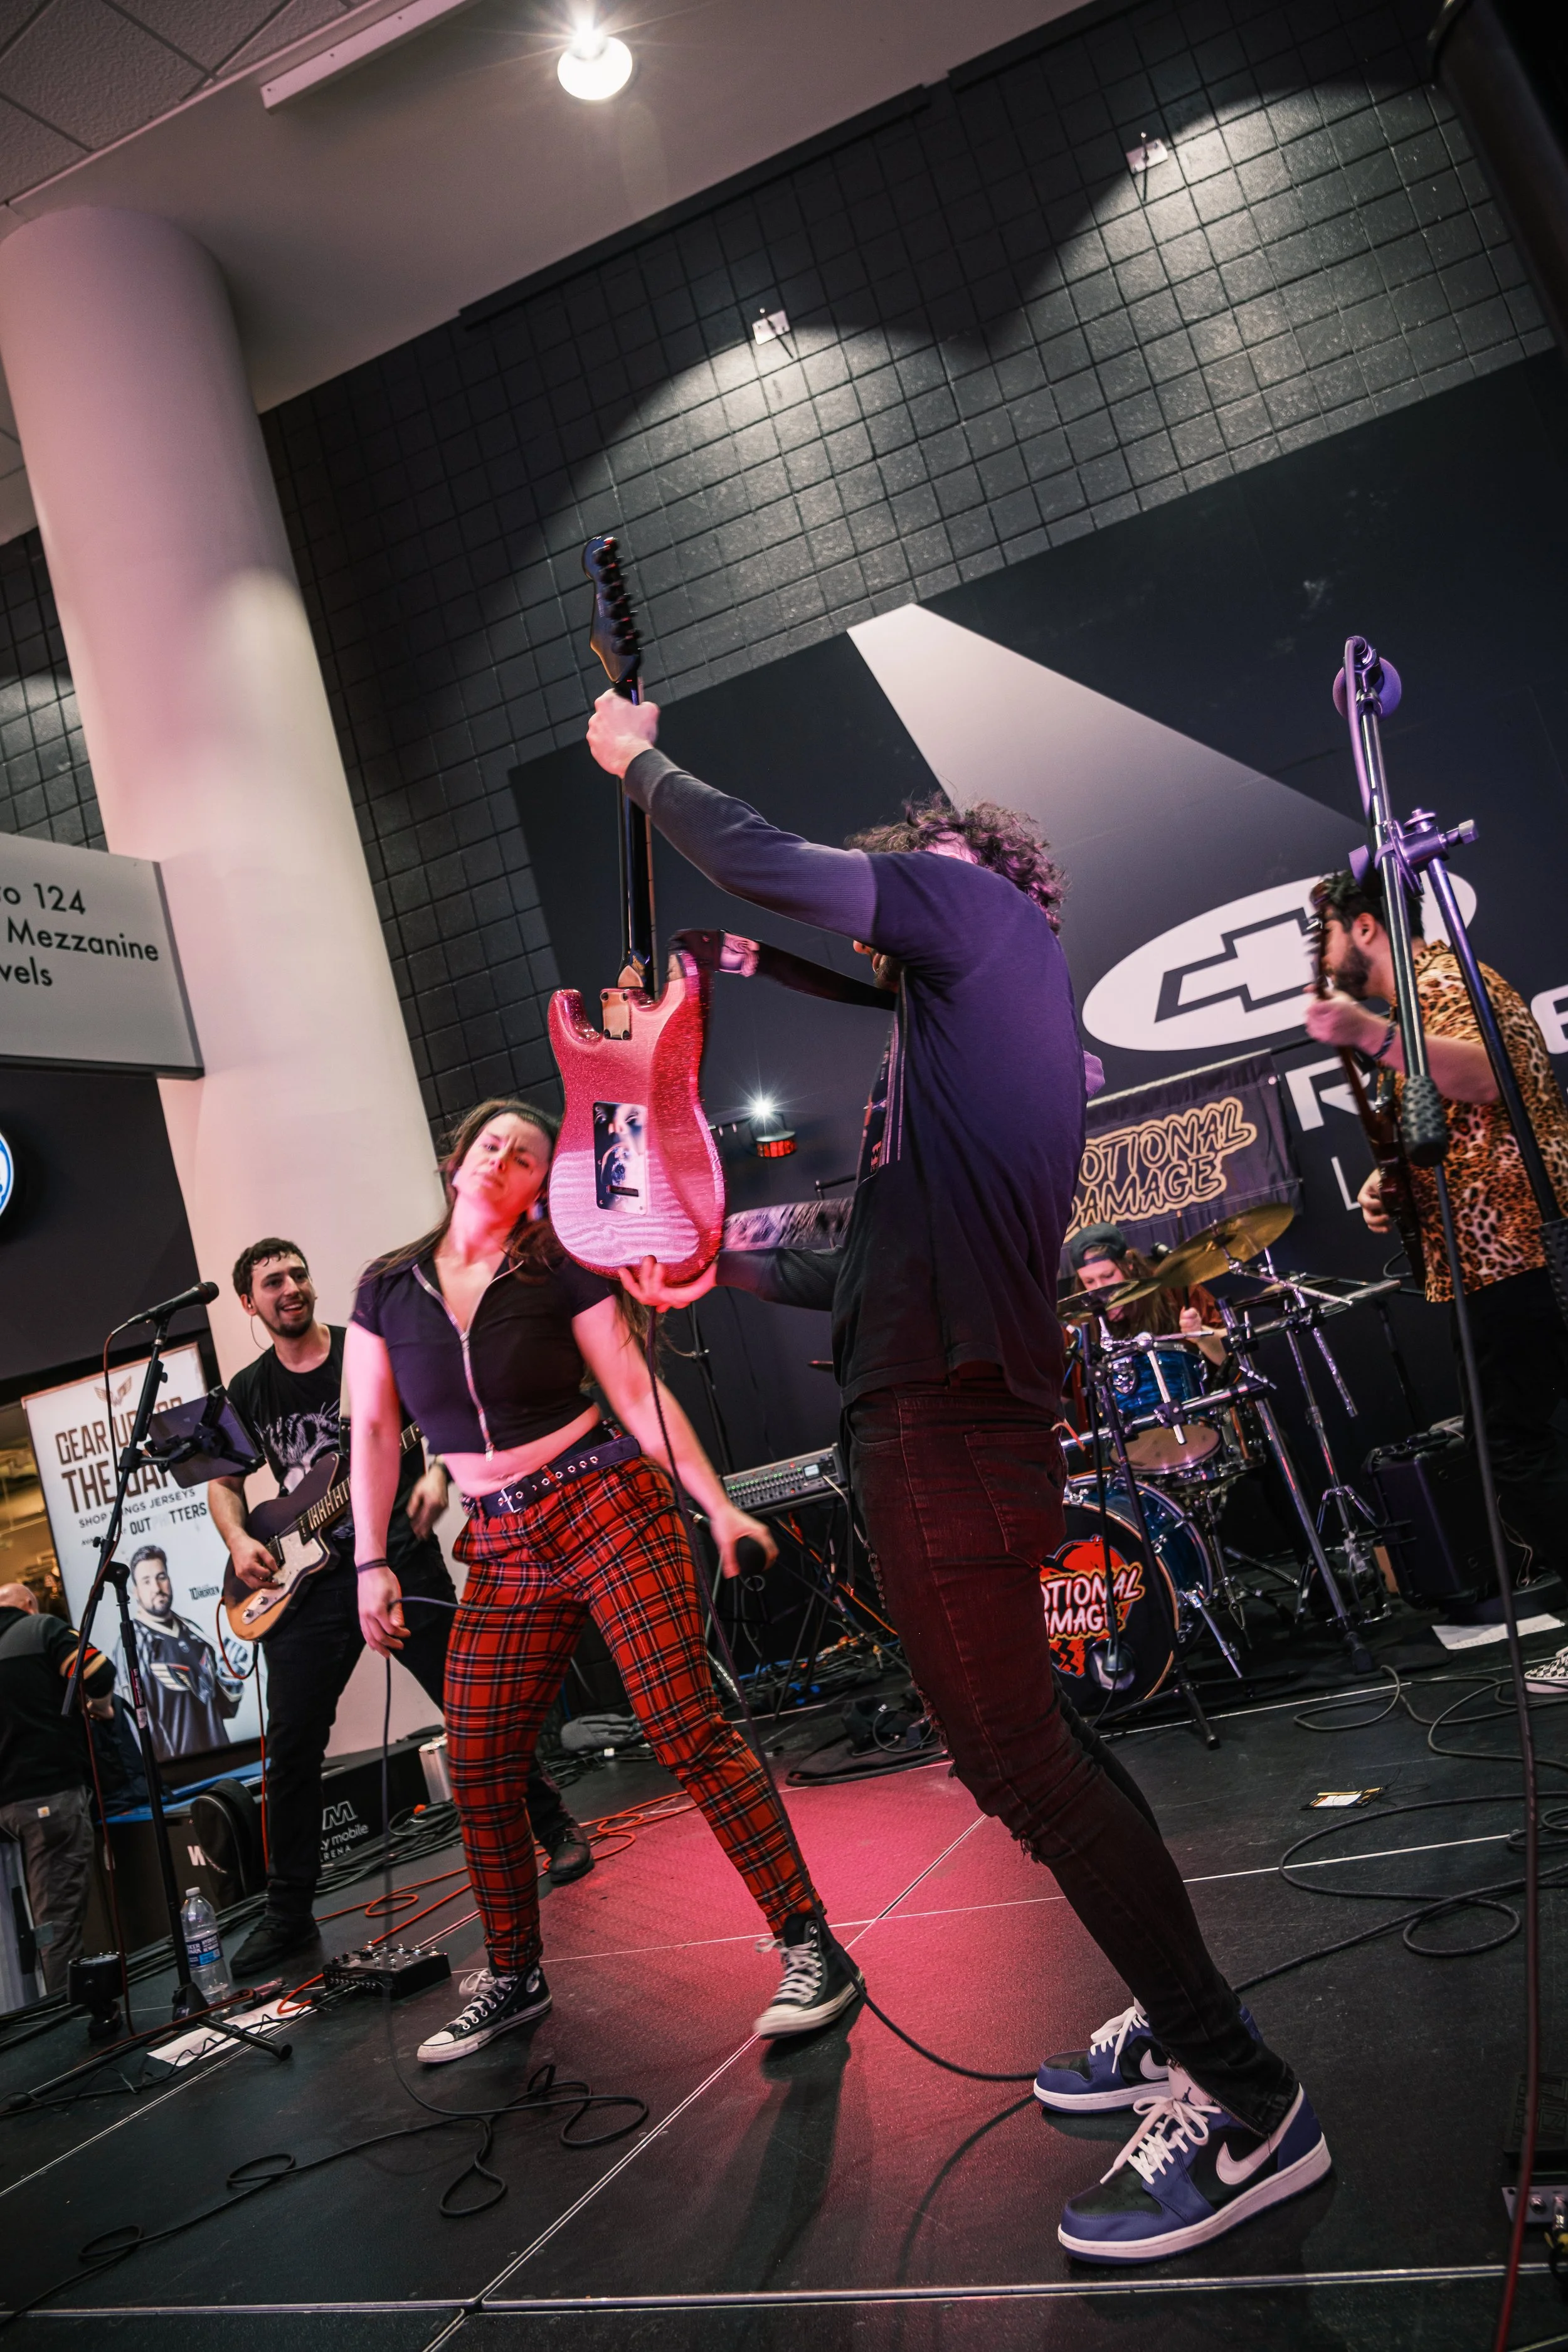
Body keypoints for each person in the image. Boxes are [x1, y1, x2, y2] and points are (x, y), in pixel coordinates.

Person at [586, 689, 1328, 2265]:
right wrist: (712, 1255)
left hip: (939, 1427)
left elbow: (780, 867)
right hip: (939, 1413)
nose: (890, 911)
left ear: (965, 867)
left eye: (905, 881)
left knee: (1018, 1762)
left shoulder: (972, 906)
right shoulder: (967, 1048)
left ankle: (1250, 2100)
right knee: (1040, 1746)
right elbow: (861, 1254)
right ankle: (1186, 2013)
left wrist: (636, 761)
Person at [346, 1100, 858, 2062]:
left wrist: (718, 1504)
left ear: (544, 1183)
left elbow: (632, 1387)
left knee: (681, 1722)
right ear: (457, 1159)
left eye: (526, 1154)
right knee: (482, 1759)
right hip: (499, 1540)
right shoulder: (386, 1288)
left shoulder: (559, 1264)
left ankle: (810, 1944)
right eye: (489, 1144)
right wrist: (371, 1558)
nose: (502, 1159)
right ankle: (511, 1975)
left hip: (605, 1501)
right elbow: (372, 1429)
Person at [211, 1237, 593, 1982]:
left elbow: (447, 1411)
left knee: (473, 1705)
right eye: (272, 1281)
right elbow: (226, 1481)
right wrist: (235, 1537)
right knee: (290, 1751)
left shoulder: (366, 1350)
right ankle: (288, 1912)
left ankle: (555, 1828)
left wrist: (441, 1474)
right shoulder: (248, 1390)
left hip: (396, 1561)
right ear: (250, 1303)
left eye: (298, 1272)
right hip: (307, 1590)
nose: (291, 1287)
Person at [1305, 869, 1568, 1680]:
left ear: (1366, 929)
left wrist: (1362, 1031)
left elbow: (1486, 1075)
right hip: (1498, 1256)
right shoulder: (1425, 997)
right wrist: (1395, 1181)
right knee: (1526, 1442)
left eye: (1328, 933)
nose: (1323, 952)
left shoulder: (1440, 983)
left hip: (1512, 1252)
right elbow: (1453, 1121)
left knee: (1519, 1448)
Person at [0, 1582, 115, 1994]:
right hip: (48, 1798)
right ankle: (65, 2033)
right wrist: (99, 1707)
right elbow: (98, 1670)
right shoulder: (42, 1630)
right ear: (29, 1605)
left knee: (21, 1930)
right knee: (57, 1926)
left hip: (7, 1808)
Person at [119, 1546, 245, 1761]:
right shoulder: (132, 1646)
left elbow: (223, 1709)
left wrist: (231, 1674)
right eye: (146, 1581)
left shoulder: (194, 1632)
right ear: (135, 1591)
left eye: (161, 1577)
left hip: (224, 1759)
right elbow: (135, 1727)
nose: (157, 1588)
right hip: (179, 1775)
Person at [1064, 1222, 1227, 1364]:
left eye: (1108, 1276)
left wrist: (1201, 1335)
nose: (1100, 1290)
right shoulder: (1079, 1323)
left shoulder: (1175, 1290)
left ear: (1129, 1264)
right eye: (1090, 1282)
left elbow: (1232, 1355)